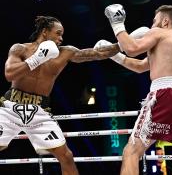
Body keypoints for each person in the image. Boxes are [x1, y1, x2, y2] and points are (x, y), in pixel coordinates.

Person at [0, 15, 121, 175]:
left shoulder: (65, 52)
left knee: (66, 156)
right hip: (11, 107)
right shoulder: (20, 49)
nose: (61, 38)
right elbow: (9, 74)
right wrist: (37, 59)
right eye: (58, 33)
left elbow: (96, 53)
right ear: (44, 32)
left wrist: (124, 44)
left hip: (39, 111)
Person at [103, 4, 172, 175]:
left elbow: (132, 48)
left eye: (155, 21)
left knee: (131, 152)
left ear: (165, 21)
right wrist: (114, 55)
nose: (152, 25)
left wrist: (117, 23)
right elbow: (139, 66)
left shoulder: (159, 32)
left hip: (164, 95)